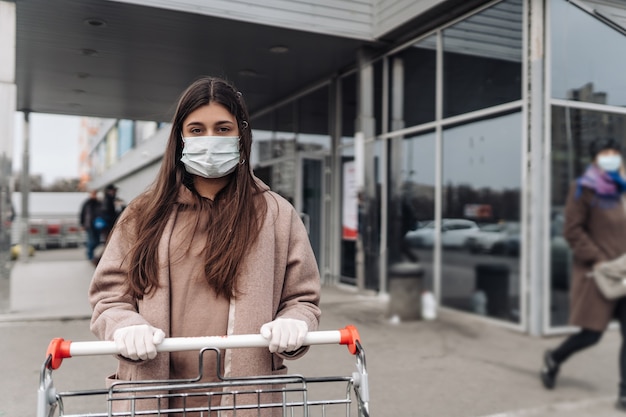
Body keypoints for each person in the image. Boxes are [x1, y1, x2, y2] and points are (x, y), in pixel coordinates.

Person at [88, 76, 321, 415]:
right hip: (156, 398)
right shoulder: (143, 214)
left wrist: (295, 321)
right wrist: (124, 325)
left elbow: (302, 299)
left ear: (241, 135)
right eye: (196, 130)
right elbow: (109, 297)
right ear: (179, 138)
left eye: (223, 128)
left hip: (246, 399)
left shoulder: (275, 214)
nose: (210, 140)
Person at [540, 137, 626, 411]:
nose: (611, 158)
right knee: (592, 334)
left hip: (625, 271)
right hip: (598, 272)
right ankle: (554, 357)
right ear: (595, 159)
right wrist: (599, 260)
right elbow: (572, 231)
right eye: (605, 154)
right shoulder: (583, 189)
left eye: (615, 153)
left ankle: (624, 393)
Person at [79, 189, 102, 261]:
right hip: (89, 225)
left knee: (97, 241)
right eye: (93, 194)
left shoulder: (99, 203)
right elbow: (82, 214)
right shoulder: (86, 203)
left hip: (98, 225)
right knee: (91, 240)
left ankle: (89, 251)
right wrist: (82, 224)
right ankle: (90, 255)